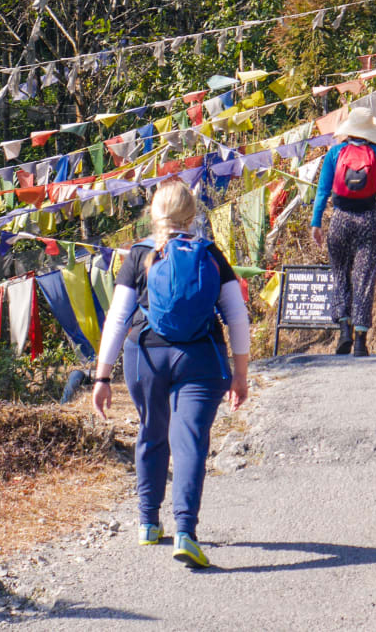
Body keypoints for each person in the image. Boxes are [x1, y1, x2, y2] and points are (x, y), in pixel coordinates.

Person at [92, 179, 251, 569]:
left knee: (151, 431)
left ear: (153, 214)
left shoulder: (139, 255)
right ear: (192, 215)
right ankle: (185, 532)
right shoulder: (210, 253)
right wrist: (241, 374)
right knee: (190, 441)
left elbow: (116, 320)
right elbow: (237, 316)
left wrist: (101, 377)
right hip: (200, 359)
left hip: (144, 355)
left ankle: (148, 522)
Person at [309, 107, 376, 357]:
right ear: (371, 131)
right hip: (370, 219)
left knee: (340, 274)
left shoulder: (335, 153)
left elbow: (322, 191)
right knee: (365, 277)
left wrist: (316, 222)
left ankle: (343, 330)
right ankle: (360, 339)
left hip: (340, 220)